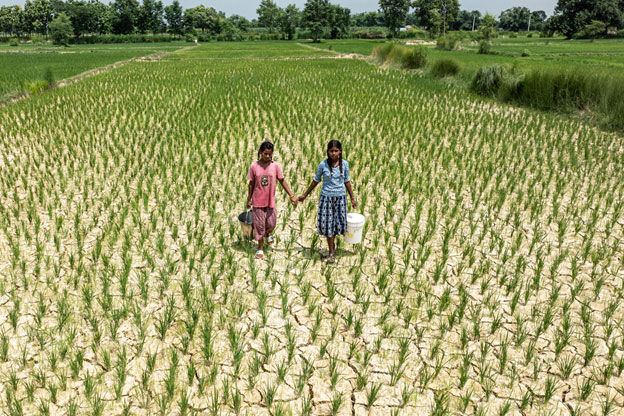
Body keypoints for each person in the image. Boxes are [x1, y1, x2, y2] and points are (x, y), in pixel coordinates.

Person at [298, 140, 357, 263]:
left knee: (336, 224)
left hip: (340, 198)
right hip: (326, 198)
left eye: (336, 151)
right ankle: (331, 252)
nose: (333, 153)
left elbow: (347, 181)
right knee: (328, 224)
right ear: (328, 152)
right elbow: (316, 180)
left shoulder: (344, 164)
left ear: (340, 151)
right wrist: (305, 195)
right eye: (331, 151)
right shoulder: (323, 165)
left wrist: (352, 198)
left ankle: (332, 245)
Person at [247, 141, 297, 259]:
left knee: (271, 223)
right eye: (265, 154)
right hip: (258, 201)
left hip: (270, 200)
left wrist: (291, 195)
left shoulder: (275, 166)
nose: (268, 156)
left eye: (270, 154)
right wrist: (249, 199)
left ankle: (268, 233)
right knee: (259, 226)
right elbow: (251, 184)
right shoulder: (254, 166)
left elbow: (282, 181)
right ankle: (260, 248)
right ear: (260, 152)